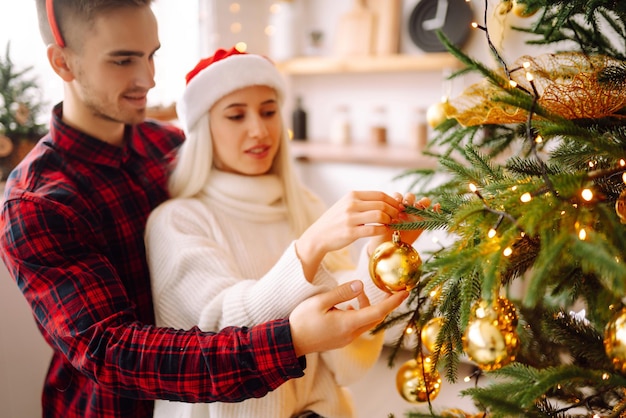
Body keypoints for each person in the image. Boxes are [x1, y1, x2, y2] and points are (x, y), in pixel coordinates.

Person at [0, 1, 410, 417]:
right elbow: (113, 352)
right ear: (62, 62)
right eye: (122, 60)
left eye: (152, 54)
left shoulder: (170, 148)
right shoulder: (37, 202)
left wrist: (379, 257)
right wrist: (290, 340)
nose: (148, 78)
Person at [145, 47, 431, 418]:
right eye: (236, 115)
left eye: (268, 111)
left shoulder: (305, 205)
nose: (259, 130)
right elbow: (221, 338)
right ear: (202, 128)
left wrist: (380, 257)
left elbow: (345, 355)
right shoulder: (177, 221)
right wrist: (308, 250)